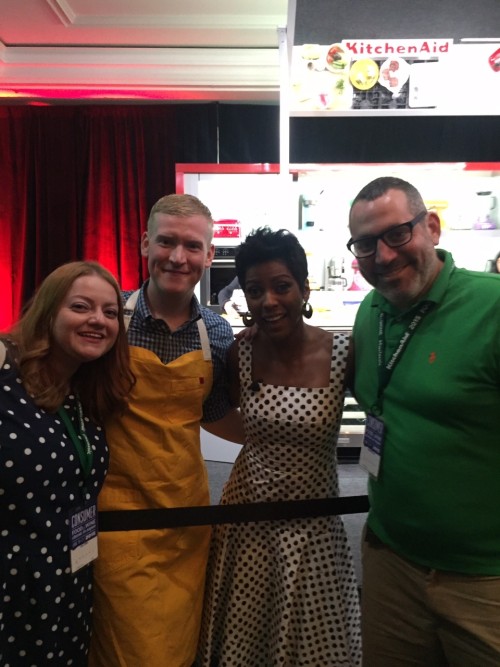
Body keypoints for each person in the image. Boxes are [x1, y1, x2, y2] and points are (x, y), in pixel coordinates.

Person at [348, 176, 500, 666]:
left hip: (484, 581)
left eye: (397, 234)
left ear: (431, 227)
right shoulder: (370, 311)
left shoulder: (491, 307)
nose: (384, 256)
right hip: (391, 564)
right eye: (366, 244)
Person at [89, 194, 244, 667]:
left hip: (187, 520)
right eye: (166, 242)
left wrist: (284, 435)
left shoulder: (217, 334)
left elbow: (213, 413)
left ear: (209, 255)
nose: (178, 257)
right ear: (145, 244)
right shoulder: (109, 320)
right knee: (131, 648)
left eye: (192, 246)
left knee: (179, 645)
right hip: (119, 518)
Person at [197, 227, 362, 667]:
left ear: (303, 288)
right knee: (245, 637)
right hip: (247, 522)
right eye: (255, 290)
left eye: (281, 286)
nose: (268, 301)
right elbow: (219, 412)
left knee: (315, 643)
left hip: (314, 529)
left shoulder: (343, 352)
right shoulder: (241, 353)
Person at [0, 261, 134, 667]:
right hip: (11, 585)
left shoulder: (83, 388)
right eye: (80, 307)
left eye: (110, 312)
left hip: (66, 580)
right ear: (48, 311)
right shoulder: (4, 366)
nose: (98, 320)